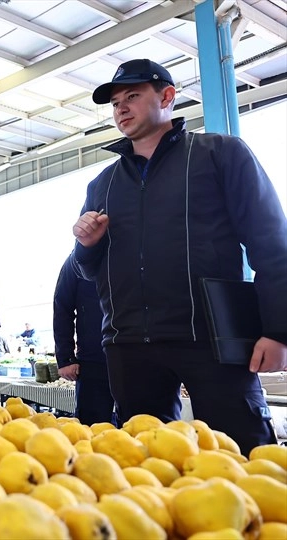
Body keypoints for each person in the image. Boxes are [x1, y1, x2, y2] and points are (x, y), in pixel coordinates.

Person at [72, 58, 287, 453]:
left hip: (211, 339)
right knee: (146, 461)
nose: (121, 108)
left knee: (245, 452)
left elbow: (271, 243)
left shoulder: (220, 155)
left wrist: (278, 330)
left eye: (132, 96)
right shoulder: (102, 184)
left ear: (167, 96)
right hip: (129, 345)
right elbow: (87, 271)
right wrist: (86, 245)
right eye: (115, 102)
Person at [53, 253, 115, 425]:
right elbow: (62, 308)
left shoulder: (136, 247)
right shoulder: (77, 258)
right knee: (90, 427)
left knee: (141, 428)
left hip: (137, 358)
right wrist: (65, 358)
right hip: (93, 359)